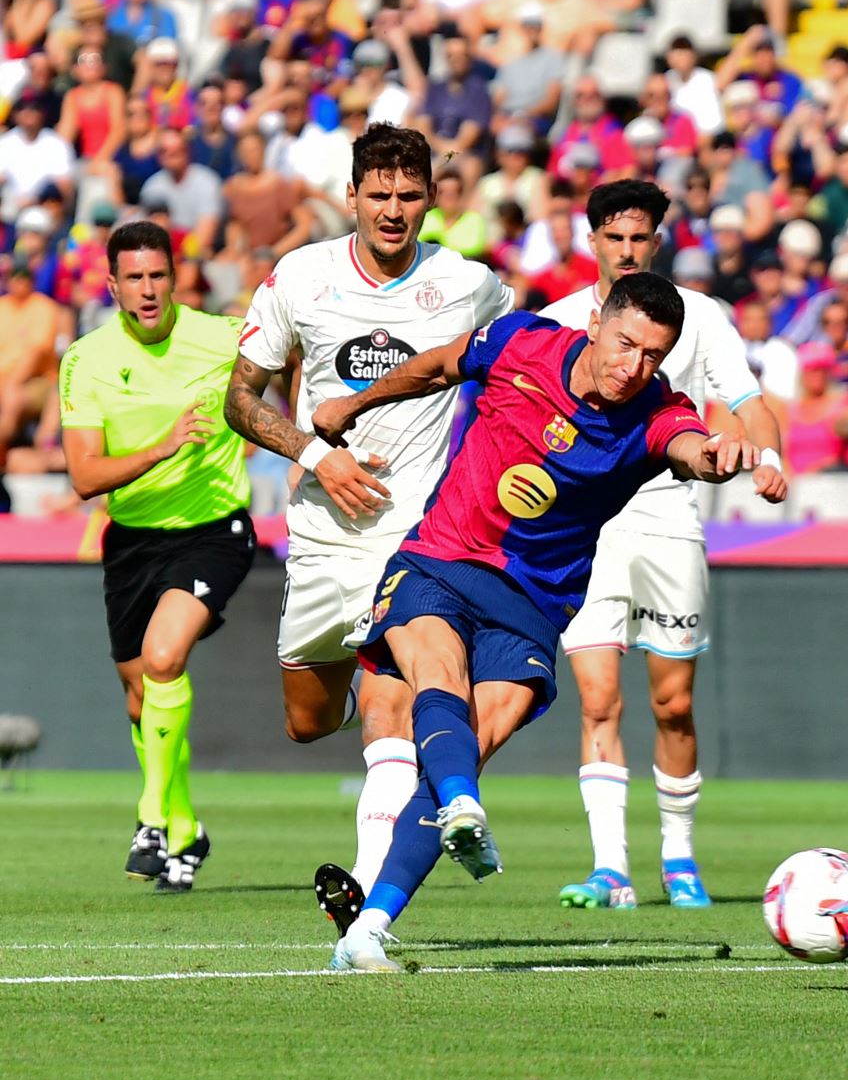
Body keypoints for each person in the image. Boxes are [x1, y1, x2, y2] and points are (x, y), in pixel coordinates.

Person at [313, 274, 758, 971]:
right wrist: (356, 400)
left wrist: (718, 458)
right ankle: (459, 809)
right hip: (441, 559)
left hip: (531, 604)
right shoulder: (520, 340)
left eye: (652, 355)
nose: (632, 366)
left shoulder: (653, 413)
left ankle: (367, 929)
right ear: (594, 323)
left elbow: (691, 447)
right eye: (625, 343)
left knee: (471, 741)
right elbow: (437, 364)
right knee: (439, 677)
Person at [224, 124, 513, 930]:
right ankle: (345, 690)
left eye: (409, 195)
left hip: (417, 541)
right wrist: (318, 455)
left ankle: (366, 905)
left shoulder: (471, 285)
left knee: (393, 704)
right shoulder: (301, 277)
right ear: (350, 196)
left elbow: (525, 368)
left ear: (432, 198)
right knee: (308, 721)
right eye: (378, 195)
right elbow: (241, 400)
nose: (393, 210)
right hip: (321, 536)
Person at [539, 180, 786, 911]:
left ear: (656, 242)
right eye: (612, 238)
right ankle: (610, 867)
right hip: (586, 530)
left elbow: (748, 405)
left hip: (669, 521)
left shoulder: (697, 316)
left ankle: (678, 855)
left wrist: (767, 461)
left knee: (674, 704)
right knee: (597, 699)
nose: (625, 250)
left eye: (638, 238)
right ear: (592, 242)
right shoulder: (558, 322)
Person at [57, 221, 256, 892]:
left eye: (158, 275)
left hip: (213, 528)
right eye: (134, 278)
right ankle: (184, 829)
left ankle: (147, 817)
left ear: (177, 278)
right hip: (131, 540)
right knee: (141, 696)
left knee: (165, 658)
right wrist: (163, 447)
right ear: (111, 285)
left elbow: (299, 362)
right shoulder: (86, 359)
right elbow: (85, 476)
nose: (148, 289)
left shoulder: (224, 337)